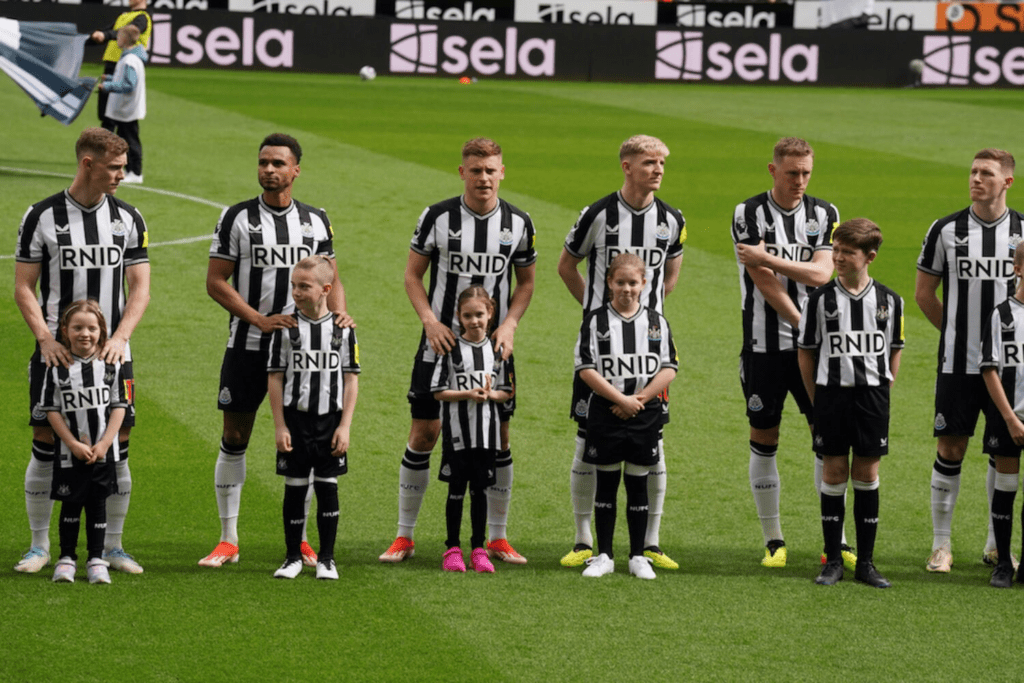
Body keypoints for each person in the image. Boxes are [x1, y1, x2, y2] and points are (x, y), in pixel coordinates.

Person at [379, 137, 537, 565]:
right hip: (441, 342)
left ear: (502, 171)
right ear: (462, 172)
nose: (483, 177)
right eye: (475, 170)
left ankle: (498, 538)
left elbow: (525, 283)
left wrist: (509, 324)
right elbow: (413, 276)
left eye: (490, 170)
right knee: (424, 434)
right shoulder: (437, 217)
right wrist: (430, 321)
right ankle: (404, 536)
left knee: (498, 436)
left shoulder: (519, 222)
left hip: (493, 349)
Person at [200, 133, 352, 569]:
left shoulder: (316, 220)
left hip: (305, 352)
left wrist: (338, 319)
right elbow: (215, 281)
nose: (269, 169)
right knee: (235, 437)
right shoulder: (236, 218)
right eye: (263, 162)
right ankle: (228, 538)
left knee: (304, 443)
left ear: (296, 170)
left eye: (278, 163)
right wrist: (259, 320)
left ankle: (301, 542)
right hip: (248, 344)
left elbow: (332, 278)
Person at [14, 127, 151, 576]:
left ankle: (112, 546)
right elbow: (23, 287)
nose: (122, 174)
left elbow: (140, 288)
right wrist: (46, 339)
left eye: (124, 165)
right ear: (88, 164)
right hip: (57, 354)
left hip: (112, 354)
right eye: (114, 167)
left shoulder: (128, 218)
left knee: (118, 444)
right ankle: (39, 547)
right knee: (45, 442)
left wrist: (120, 337)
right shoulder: (41, 217)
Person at [557, 134, 685, 570]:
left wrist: (643, 316)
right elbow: (566, 265)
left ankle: (649, 542)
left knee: (654, 443)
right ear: (627, 166)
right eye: (649, 162)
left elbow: (670, 274)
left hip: (648, 354)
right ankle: (582, 540)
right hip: (602, 352)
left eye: (662, 162)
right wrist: (601, 315)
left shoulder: (672, 218)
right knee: (587, 440)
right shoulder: (598, 213)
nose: (658, 169)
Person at [732, 136, 848, 569]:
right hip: (764, 347)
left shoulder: (825, 214)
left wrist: (770, 258)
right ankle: (773, 540)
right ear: (773, 170)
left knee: (828, 439)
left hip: (814, 350)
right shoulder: (748, 213)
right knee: (765, 437)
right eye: (792, 172)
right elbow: (761, 280)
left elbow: (821, 273)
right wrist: (802, 324)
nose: (800, 181)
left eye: (806, 173)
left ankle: (836, 541)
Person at [917, 148, 1023, 573]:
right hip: (958, 364)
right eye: (973, 171)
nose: (976, 178)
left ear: (1007, 182)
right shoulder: (945, 229)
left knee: (1005, 455)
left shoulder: (1023, 233)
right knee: (951, 446)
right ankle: (941, 546)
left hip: (1013, 370)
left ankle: (996, 545)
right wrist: (959, 337)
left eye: (987, 173)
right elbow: (925, 294)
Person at [797, 219, 904, 589]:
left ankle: (867, 563)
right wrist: (817, 397)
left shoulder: (890, 301)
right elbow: (806, 353)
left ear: (869, 257)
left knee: (867, 474)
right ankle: (832, 560)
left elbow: (894, 351)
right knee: (833, 473)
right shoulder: (819, 300)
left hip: (872, 397)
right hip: (831, 396)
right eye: (836, 249)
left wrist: (884, 387)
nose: (838, 257)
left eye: (847, 252)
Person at [574, 254, 678, 580]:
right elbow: (585, 368)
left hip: (644, 412)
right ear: (609, 283)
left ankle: (637, 555)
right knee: (605, 483)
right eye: (620, 282)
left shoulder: (657, 322)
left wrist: (639, 400)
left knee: (637, 484)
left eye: (633, 283)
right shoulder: (594, 321)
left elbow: (669, 367)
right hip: (606, 411)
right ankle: (604, 554)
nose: (627, 289)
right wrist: (620, 399)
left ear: (644, 284)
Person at [267, 256, 359, 581]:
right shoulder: (286, 328)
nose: (296, 292)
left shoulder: (344, 331)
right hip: (296, 420)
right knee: (294, 487)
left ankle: (327, 559)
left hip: (330, 422)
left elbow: (351, 379)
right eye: (293, 285)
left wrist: (345, 426)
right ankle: (292, 556)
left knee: (327, 487)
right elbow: (275, 378)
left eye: (304, 286)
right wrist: (280, 425)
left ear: (326, 289)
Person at [41, 301, 128, 585]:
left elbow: (119, 406)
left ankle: (95, 559)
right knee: (70, 504)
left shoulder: (112, 365)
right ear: (65, 331)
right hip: (69, 453)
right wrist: (72, 443)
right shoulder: (56, 367)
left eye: (92, 328)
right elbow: (50, 410)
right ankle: (66, 559)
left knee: (97, 504)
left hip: (103, 453)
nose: (85, 334)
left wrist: (103, 444)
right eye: (77, 328)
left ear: (102, 331)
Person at [431, 286, 514, 574]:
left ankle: (479, 549)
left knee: (480, 492)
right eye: (467, 316)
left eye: (479, 314)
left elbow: (506, 391)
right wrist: (468, 393)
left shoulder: (499, 350)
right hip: (457, 435)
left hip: (487, 435)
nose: (474, 321)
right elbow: (438, 391)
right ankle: (452, 548)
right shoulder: (450, 349)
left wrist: (490, 396)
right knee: (456, 491)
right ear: (459, 317)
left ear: (490, 314)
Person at [980, 242, 1024, 588]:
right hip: (1008, 417)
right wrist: (1010, 418)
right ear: (1018, 269)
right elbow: (990, 369)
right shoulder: (1002, 314)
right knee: (1005, 488)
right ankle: (1003, 563)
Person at [89, 0, 151, 132]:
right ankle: (108, 144)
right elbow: (109, 31)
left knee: (120, 114)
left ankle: (117, 146)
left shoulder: (143, 18)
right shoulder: (124, 16)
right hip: (113, 63)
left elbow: (125, 32)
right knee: (106, 111)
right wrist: (88, 37)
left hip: (125, 64)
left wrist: (104, 35)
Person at [97, 25, 147, 184]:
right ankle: (130, 170)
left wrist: (108, 86)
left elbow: (129, 84)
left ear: (124, 39)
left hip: (127, 108)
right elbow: (125, 80)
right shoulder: (131, 58)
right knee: (126, 139)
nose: (116, 40)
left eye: (118, 37)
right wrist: (111, 79)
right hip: (127, 107)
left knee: (130, 140)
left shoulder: (129, 60)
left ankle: (136, 172)